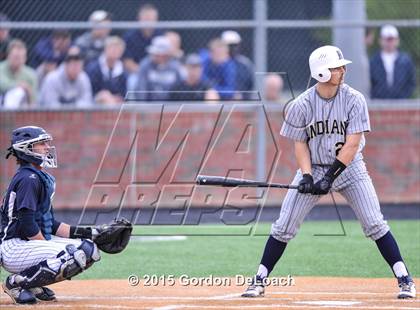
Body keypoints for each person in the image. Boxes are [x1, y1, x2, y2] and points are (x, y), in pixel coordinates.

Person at [241, 45, 416, 299]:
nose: (342, 70)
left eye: (341, 66)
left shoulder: (354, 99)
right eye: (336, 67)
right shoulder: (301, 105)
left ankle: (404, 279)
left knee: (375, 224)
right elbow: (299, 143)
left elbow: (352, 144)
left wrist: (329, 178)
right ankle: (258, 280)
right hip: (315, 168)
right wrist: (308, 176)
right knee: (283, 226)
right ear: (321, 73)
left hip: (350, 168)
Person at [1, 126, 101, 304]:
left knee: (90, 249)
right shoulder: (27, 179)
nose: (47, 147)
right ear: (27, 148)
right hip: (13, 245)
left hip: (25, 243)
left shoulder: (38, 176)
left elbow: (50, 223)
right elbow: (27, 223)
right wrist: (48, 251)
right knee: (72, 255)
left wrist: (92, 233)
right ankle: (16, 283)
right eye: (42, 143)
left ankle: (31, 283)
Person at [370, 25, 416, 99]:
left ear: (397, 40)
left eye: (391, 39)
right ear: (381, 40)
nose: (389, 43)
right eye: (387, 39)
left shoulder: (405, 60)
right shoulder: (374, 61)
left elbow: (411, 82)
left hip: (401, 103)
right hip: (379, 103)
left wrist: (402, 97)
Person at [133, 36, 183, 101]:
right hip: (150, 105)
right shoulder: (146, 65)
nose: (160, 57)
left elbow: (179, 88)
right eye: (157, 54)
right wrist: (143, 106)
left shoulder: (174, 67)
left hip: (170, 106)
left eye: (163, 55)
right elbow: (141, 88)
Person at [86, 36, 127, 104]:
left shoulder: (123, 72)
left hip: (116, 105)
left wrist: (115, 98)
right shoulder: (93, 68)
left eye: (118, 49)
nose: (115, 51)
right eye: (112, 48)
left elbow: (123, 94)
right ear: (105, 49)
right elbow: (90, 92)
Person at [123, 3, 162, 75]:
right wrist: (143, 73)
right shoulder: (130, 36)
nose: (149, 21)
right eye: (146, 18)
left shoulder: (161, 35)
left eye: (152, 18)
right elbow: (127, 62)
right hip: (136, 73)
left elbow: (165, 60)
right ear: (139, 18)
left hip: (158, 72)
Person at [0, 39, 37, 107]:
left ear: (25, 59)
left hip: (22, 107)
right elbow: (2, 86)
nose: (18, 60)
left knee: (19, 92)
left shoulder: (31, 74)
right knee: (17, 91)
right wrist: (21, 85)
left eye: (20, 57)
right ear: (8, 56)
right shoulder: (1, 68)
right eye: (15, 57)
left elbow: (34, 99)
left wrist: (27, 92)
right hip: (1, 102)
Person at [221, 30, 254, 99]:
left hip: (243, 100)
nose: (233, 49)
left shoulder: (245, 64)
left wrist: (242, 95)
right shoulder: (216, 63)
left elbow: (251, 85)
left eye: (235, 45)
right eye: (230, 46)